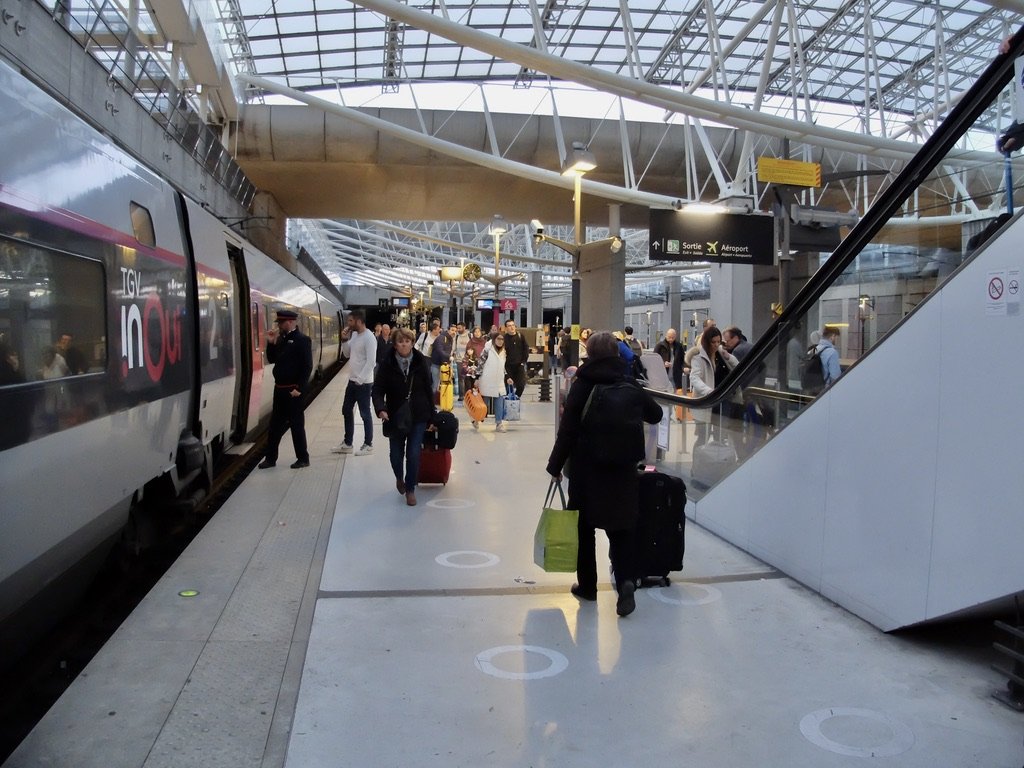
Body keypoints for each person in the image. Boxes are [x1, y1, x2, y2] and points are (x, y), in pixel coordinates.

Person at [545, 331, 662, 618]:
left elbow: (568, 430)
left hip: (587, 470)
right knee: (621, 530)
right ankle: (624, 582)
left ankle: (588, 587)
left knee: (585, 530)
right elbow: (656, 414)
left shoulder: (583, 383)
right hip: (622, 472)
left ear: (590, 353)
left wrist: (555, 465)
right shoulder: (627, 381)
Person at [373, 327, 434, 506]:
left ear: (412, 342)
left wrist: (432, 417)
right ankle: (399, 477)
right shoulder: (387, 363)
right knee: (395, 455)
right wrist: (380, 408)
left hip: (418, 414)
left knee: (414, 453)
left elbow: (428, 390)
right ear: (395, 344)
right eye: (400, 341)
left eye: (407, 341)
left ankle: (410, 489)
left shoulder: (421, 361)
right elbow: (377, 389)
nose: (404, 344)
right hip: (395, 415)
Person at [259, 309, 313, 469]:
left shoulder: (302, 340)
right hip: (280, 389)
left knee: (296, 426)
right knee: (274, 426)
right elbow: (273, 359)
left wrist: (299, 388)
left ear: (290, 322)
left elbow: (307, 366)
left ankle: (303, 458)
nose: (279, 326)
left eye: (281, 323)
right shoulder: (282, 339)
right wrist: (270, 343)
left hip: (293, 391)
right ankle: (270, 458)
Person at [332, 309, 377, 456]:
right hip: (352, 381)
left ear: (358, 321)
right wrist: (344, 340)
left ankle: (368, 444)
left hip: (363, 383)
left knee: (365, 414)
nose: (348, 324)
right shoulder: (356, 335)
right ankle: (348, 443)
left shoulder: (369, 338)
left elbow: (371, 362)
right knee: (346, 410)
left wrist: (360, 380)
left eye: (350, 321)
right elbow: (347, 354)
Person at [687, 325, 738, 448]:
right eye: (713, 342)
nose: (716, 345)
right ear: (707, 341)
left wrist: (728, 356)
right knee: (703, 437)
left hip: (722, 401)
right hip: (707, 401)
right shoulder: (698, 356)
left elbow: (737, 366)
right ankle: (697, 465)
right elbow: (694, 378)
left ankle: (717, 462)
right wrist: (709, 391)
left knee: (720, 436)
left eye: (718, 341)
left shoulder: (720, 352)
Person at [477, 332, 512, 432]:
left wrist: (507, 377)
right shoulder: (487, 350)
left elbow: (502, 366)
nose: (500, 341)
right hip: (487, 380)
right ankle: (477, 419)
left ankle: (499, 423)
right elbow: (480, 364)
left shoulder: (503, 351)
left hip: (499, 380)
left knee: (499, 402)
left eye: (502, 339)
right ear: (494, 339)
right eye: (498, 339)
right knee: (484, 404)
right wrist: (477, 378)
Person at [502, 319, 529, 397]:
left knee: (521, 385)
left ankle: (516, 397)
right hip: (507, 366)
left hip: (519, 365)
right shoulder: (504, 338)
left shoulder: (520, 336)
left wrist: (523, 362)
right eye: (509, 326)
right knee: (507, 386)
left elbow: (526, 349)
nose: (512, 327)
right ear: (506, 328)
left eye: (513, 325)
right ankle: (507, 401)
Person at [430, 319, 453, 393]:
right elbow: (440, 350)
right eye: (452, 330)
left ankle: (439, 401)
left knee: (442, 384)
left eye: (455, 331)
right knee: (435, 384)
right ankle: (431, 402)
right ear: (448, 330)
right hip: (436, 364)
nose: (454, 332)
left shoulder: (450, 339)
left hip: (444, 364)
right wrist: (448, 356)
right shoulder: (441, 338)